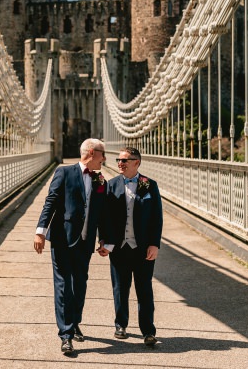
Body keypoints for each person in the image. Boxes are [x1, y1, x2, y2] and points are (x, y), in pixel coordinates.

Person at [33, 138, 108, 355]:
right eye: (102, 154)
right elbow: (51, 202)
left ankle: (75, 323)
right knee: (64, 285)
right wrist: (40, 231)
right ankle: (65, 335)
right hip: (62, 239)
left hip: (85, 242)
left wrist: (104, 239)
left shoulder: (100, 180)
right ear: (93, 153)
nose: (105, 159)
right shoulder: (64, 173)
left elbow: (100, 213)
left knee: (80, 284)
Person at [98, 146, 163, 346]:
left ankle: (148, 331)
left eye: (125, 160)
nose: (120, 163)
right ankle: (120, 325)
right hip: (119, 248)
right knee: (120, 288)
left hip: (143, 248)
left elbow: (156, 218)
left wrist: (154, 244)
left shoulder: (149, 185)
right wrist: (104, 241)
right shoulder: (110, 185)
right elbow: (104, 217)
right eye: (118, 160)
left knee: (144, 290)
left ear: (137, 162)